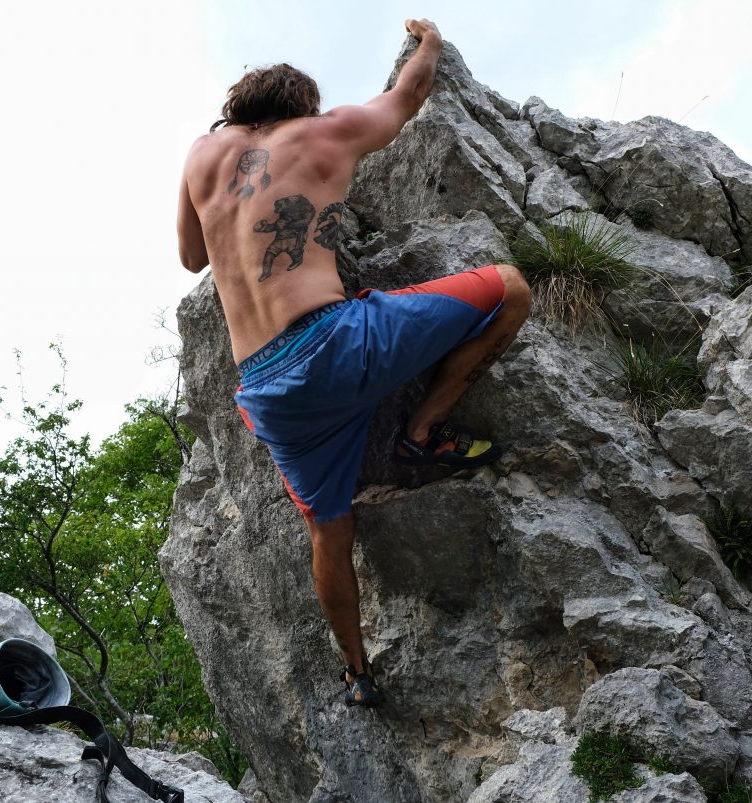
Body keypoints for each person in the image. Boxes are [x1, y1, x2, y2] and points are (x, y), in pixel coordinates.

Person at [176, 18, 531, 707]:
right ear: (300, 107)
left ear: (238, 108)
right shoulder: (322, 132)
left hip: (268, 391)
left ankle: (357, 671)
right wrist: (429, 40)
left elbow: (192, 257)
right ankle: (422, 431)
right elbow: (407, 97)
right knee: (510, 288)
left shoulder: (199, 156)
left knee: (328, 529)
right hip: (336, 345)